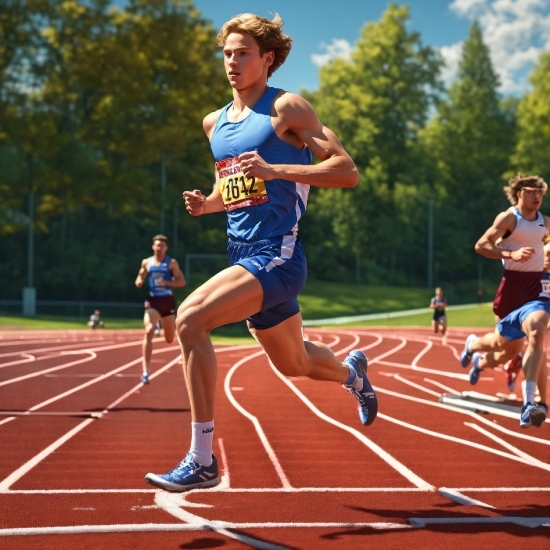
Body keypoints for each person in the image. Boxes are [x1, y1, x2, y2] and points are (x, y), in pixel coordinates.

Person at [144, 12, 378, 493]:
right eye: (226, 53)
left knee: (189, 320)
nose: (231, 62)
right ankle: (352, 374)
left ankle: (202, 458)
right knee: (295, 364)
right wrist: (207, 204)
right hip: (242, 255)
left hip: (278, 255)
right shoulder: (214, 123)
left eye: (243, 53)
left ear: (267, 58)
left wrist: (279, 171)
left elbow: (346, 171)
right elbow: (234, 188)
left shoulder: (287, 108)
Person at [468, 174, 550, 391]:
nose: (537, 196)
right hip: (512, 288)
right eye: (532, 191)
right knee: (504, 348)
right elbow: (481, 245)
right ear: (520, 193)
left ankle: (537, 401)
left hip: (535, 290)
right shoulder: (509, 218)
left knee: (532, 341)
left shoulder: (545, 223)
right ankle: (474, 348)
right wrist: (510, 254)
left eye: (540, 192)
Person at [459, 299, 548, 428]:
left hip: (540, 299)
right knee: (504, 349)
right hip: (515, 295)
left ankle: (539, 404)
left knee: (537, 341)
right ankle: (473, 345)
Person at [135, 234, 186, 384]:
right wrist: (139, 281)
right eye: (157, 245)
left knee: (170, 339)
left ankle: (160, 325)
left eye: (162, 246)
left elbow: (182, 281)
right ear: (153, 247)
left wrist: (168, 283)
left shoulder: (171, 263)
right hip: (153, 301)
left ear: (166, 248)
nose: (159, 248)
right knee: (149, 330)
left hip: (167, 302)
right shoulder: (147, 262)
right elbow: (141, 275)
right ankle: (145, 371)